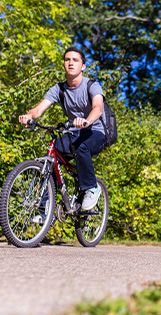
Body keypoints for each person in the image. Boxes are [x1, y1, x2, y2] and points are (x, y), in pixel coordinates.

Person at [18, 46, 106, 211]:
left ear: (83, 66)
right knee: (51, 156)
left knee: (82, 147)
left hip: (96, 131)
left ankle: (92, 187)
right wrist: (29, 116)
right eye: (67, 60)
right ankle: (44, 206)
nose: (71, 63)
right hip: (73, 132)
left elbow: (98, 108)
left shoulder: (92, 85)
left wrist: (86, 121)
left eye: (75, 60)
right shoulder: (58, 89)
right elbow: (38, 109)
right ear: (64, 64)